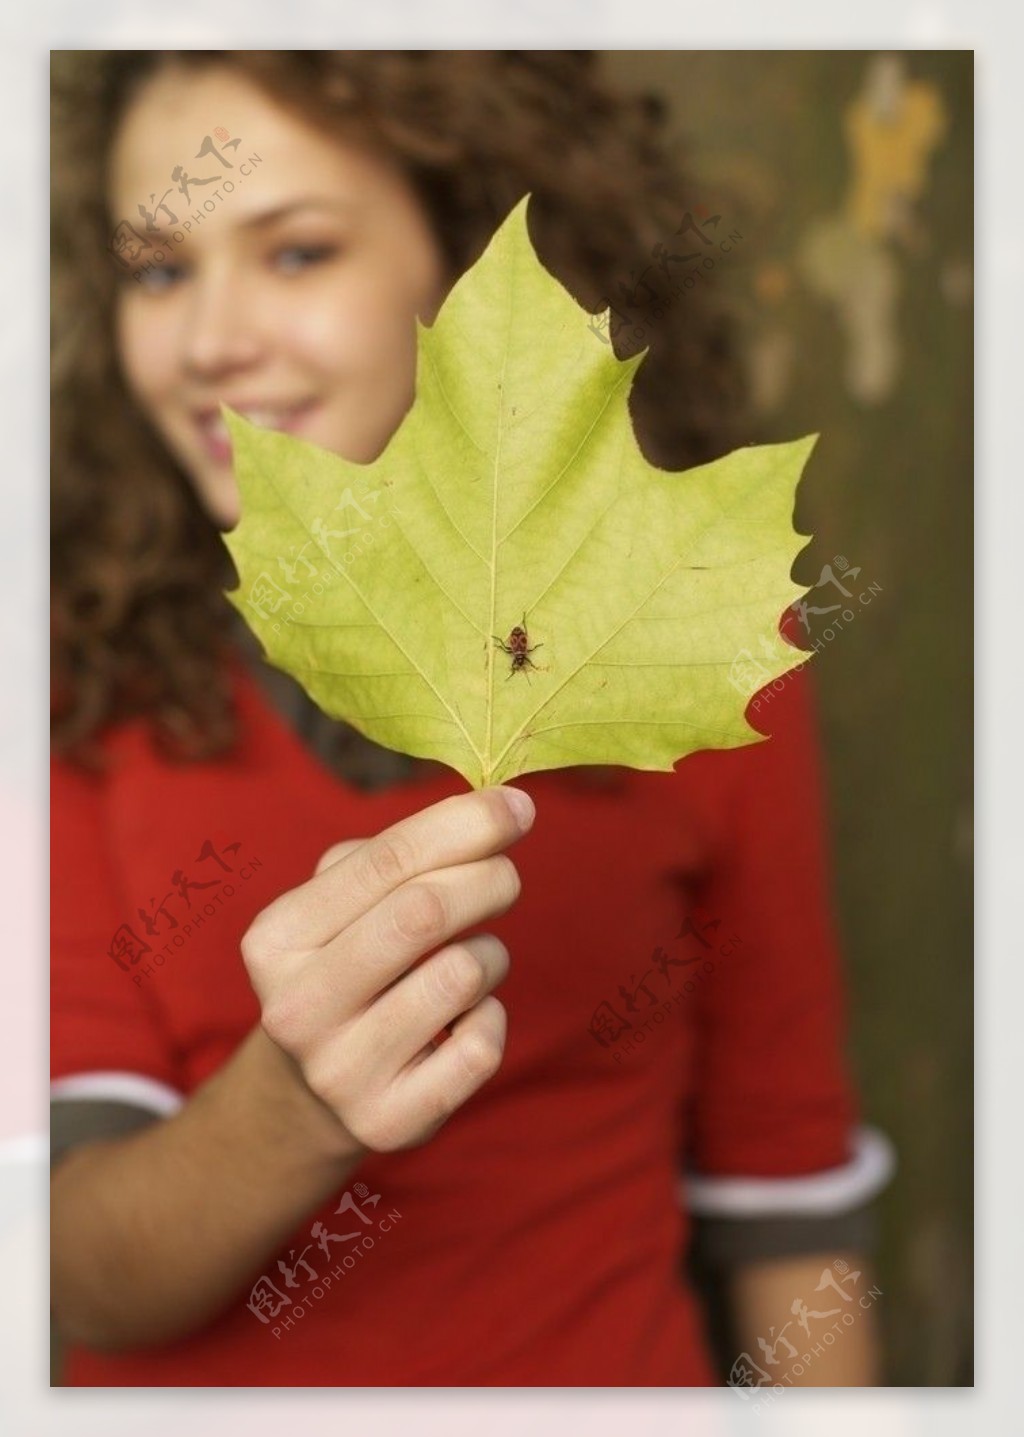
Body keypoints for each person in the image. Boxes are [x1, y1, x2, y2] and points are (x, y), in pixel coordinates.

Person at [50, 50, 893, 1387]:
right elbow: (75, 1265)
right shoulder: (74, 682)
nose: (209, 338)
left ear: (457, 259)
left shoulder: (702, 645)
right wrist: (294, 1103)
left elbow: (787, 1201)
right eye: (158, 269)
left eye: (296, 252)